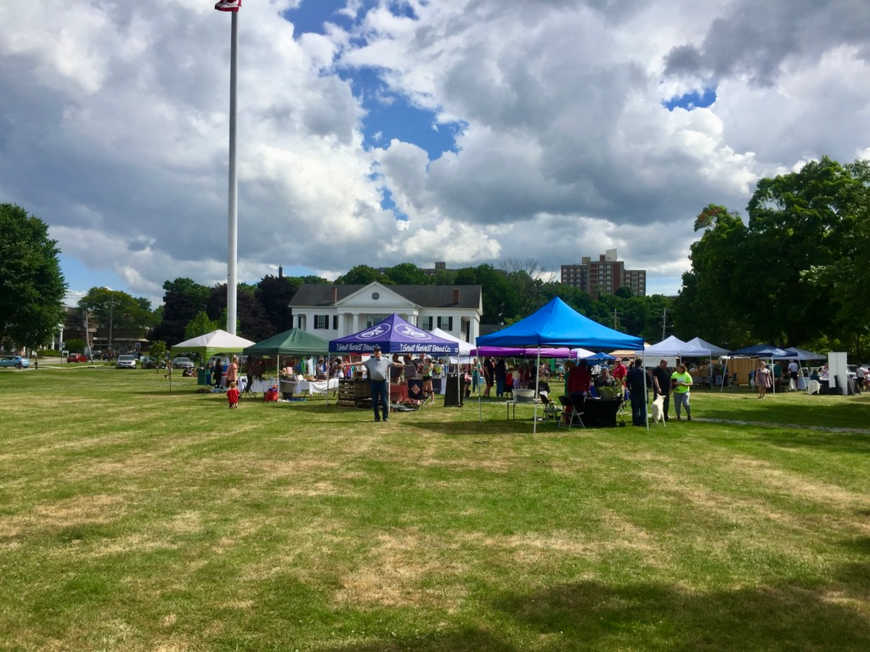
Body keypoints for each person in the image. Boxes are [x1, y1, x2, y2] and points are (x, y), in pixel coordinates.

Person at [363, 346, 402, 422]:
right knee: (375, 401)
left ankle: (385, 417)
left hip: (382, 382)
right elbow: (359, 363)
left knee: (384, 401)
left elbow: (394, 364)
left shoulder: (385, 360)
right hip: (374, 382)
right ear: (374, 353)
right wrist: (347, 364)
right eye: (376, 351)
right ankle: (376, 417)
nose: (377, 352)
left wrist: (402, 365)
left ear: (381, 352)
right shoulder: (370, 361)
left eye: (378, 351)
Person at [626, 359, 647, 426]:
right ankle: (642, 421)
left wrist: (629, 389)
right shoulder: (644, 371)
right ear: (641, 363)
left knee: (635, 408)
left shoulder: (630, 371)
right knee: (643, 407)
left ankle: (636, 422)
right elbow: (649, 382)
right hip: (643, 391)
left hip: (634, 391)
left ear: (635, 363)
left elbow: (627, 382)